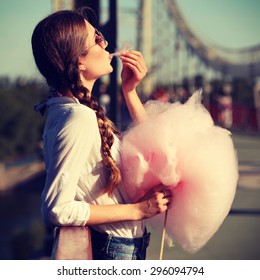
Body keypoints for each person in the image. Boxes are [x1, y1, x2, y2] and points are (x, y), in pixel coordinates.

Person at [31, 9, 171, 260]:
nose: (105, 43)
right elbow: (56, 209)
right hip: (116, 253)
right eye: (95, 38)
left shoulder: (68, 109)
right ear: (79, 61)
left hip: (119, 248)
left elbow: (154, 148)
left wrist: (130, 91)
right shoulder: (78, 118)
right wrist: (139, 210)